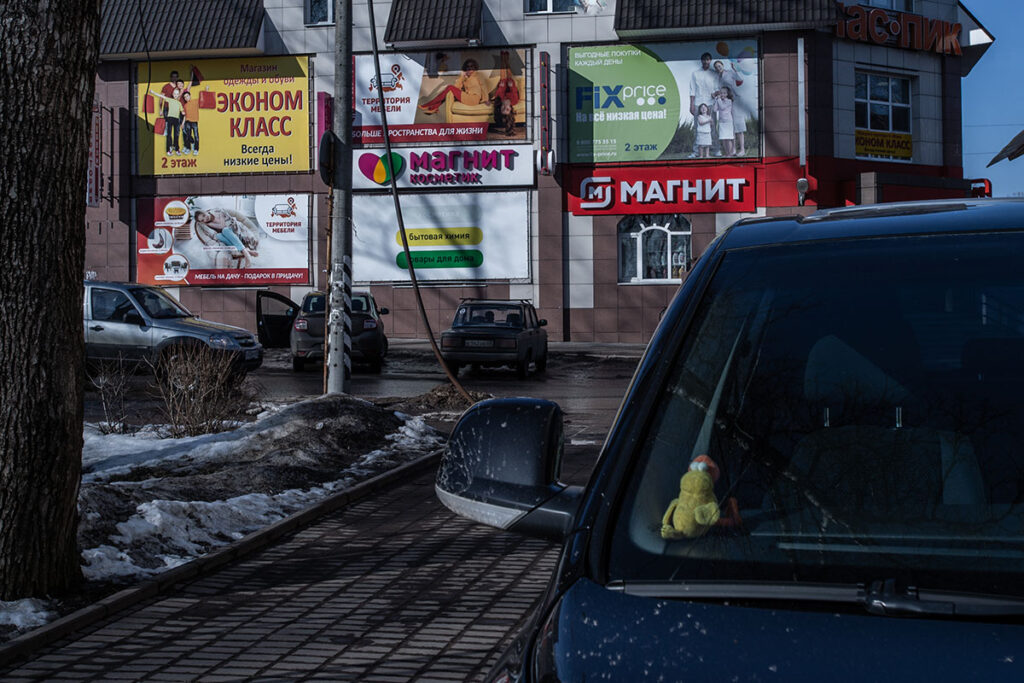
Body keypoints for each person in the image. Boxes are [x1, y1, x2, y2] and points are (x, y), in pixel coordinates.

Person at [417, 59, 490, 114]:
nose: (469, 68)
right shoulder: (465, 78)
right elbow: (457, 88)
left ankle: (429, 105)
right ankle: (433, 107)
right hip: (467, 97)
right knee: (449, 89)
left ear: (475, 67)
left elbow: (483, 87)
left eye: (472, 66)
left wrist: (486, 99)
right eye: (467, 67)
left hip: (474, 99)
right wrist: (462, 77)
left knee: (449, 87)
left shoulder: (478, 75)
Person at [194, 208, 259, 268]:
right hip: (231, 239)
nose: (205, 218)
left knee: (225, 230)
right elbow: (215, 233)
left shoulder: (218, 212)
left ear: (205, 212)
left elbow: (223, 225)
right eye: (202, 220)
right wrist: (208, 224)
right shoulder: (207, 224)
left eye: (203, 215)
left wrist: (211, 224)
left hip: (235, 233)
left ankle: (247, 255)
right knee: (219, 236)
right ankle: (247, 251)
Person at [689, 52, 718, 157]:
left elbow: (717, 89)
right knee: (697, 128)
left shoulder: (714, 73)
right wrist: (691, 104)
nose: (706, 61)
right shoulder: (695, 73)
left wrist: (715, 93)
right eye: (704, 59)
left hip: (710, 103)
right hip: (698, 103)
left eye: (708, 59)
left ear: (710, 61)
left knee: (712, 127)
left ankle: (715, 150)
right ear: (701, 61)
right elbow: (692, 90)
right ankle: (696, 151)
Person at [714, 60, 746, 156]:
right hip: (726, 104)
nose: (718, 68)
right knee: (731, 128)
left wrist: (735, 70)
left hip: (735, 101)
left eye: (719, 66)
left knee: (739, 126)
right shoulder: (718, 78)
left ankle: (742, 149)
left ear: (723, 65)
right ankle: (733, 150)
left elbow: (740, 79)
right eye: (716, 67)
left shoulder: (730, 72)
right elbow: (720, 91)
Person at [149, 88, 183, 156]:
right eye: (174, 93)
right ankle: (169, 149)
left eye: (177, 94)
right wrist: (153, 92)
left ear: (179, 95)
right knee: (169, 134)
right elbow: (161, 96)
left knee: (176, 135)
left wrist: (183, 112)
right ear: (173, 94)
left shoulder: (179, 103)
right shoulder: (170, 100)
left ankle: (176, 148)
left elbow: (182, 110)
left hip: (176, 119)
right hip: (170, 118)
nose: (176, 95)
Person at [493, 51, 520, 136]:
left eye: (503, 109)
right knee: (509, 78)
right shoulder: (514, 101)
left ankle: (502, 59)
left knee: (503, 79)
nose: (505, 107)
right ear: (511, 109)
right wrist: (511, 86)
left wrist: (501, 86)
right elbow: (514, 91)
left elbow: (499, 92)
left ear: (500, 108)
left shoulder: (499, 100)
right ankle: (506, 60)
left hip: (503, 88)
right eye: (507, 109)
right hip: (511, 88)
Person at [713, 86, 735, 157]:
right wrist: (716, 101)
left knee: (728, 138)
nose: (722, 94)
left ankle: (730, 153)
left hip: (728, 122)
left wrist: (718, 100)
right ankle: (727, 153)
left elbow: (722, 107)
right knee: (723, 138)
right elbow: (715, 109)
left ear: (727, 94)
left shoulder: (729, 101)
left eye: (724, 93)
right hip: (721, 122)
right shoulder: (719, 101)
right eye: (721, 93)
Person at [180, 90, 199, 155]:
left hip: (194, 122)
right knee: (188, 136)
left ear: (190, 96)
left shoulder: (195, 101)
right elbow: (185, 115)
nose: (186, 98)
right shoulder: (185, 105)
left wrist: (206, 90)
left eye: (187, 96)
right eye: (185, 97)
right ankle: (189, 148)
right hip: (187, 122)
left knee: (196, 136)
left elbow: (203, 99)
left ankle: (196, 149)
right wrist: (182, 123)